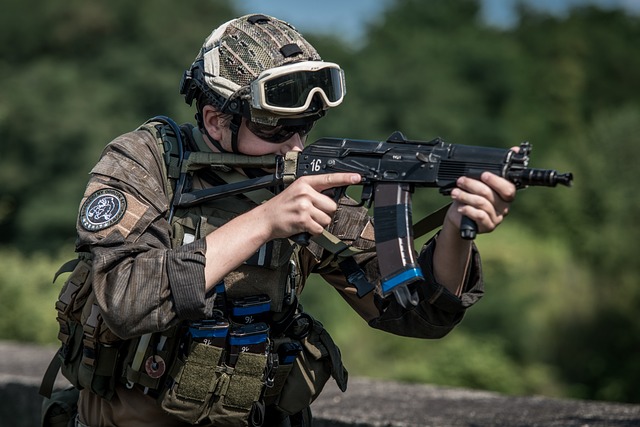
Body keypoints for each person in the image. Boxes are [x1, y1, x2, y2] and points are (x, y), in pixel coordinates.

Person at [45, 13, 516, 427]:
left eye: (304, 127)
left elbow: (417, 314)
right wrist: (265, 221)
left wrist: (457, 230)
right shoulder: (147, 162)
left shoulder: (302, 184)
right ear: (215, 120)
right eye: (274, 128)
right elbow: (125, 299)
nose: (294, 145)